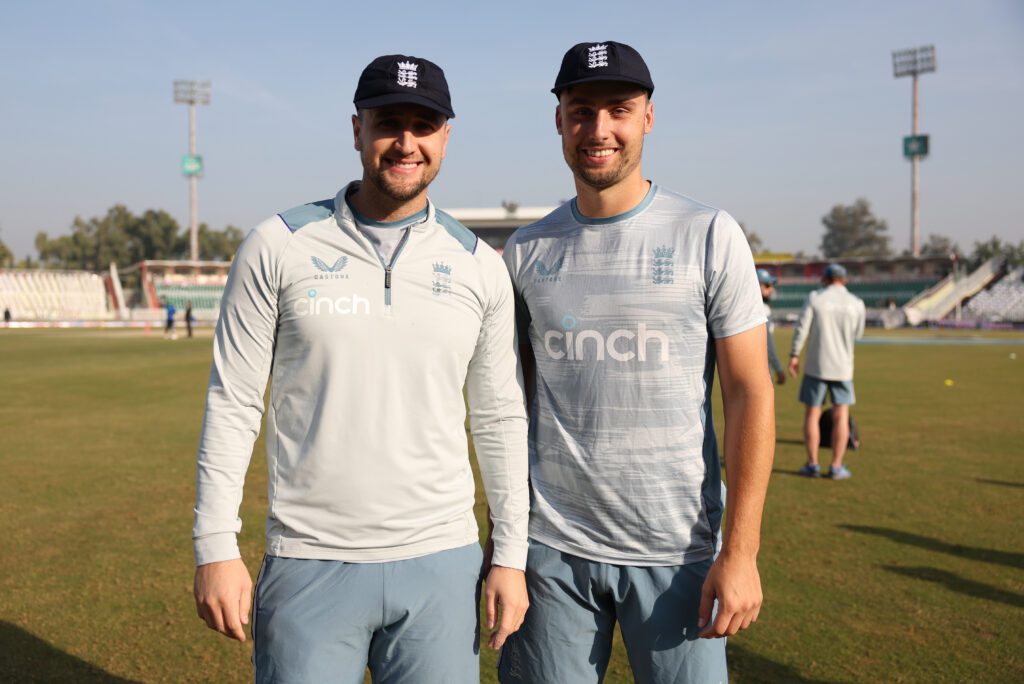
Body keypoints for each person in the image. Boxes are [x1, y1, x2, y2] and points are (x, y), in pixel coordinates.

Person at [192, 54, 530, 683]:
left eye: (424, 124)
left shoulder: (480, 264)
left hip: (441, 563)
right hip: (310, 561)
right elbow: (234, 399)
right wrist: (215, 545)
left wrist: (509, 553)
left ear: (446, 136)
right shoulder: (279, 244)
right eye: (387, 123)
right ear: (357, 130)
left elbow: (499, 415)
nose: (406, 143)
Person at [498, 41, 775, 683]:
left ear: (648, 116)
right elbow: (511, 406)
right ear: (559, 119)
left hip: (680, 554)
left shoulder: (708, 234)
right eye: (581, 110)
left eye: (618, 109)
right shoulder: (526, 251)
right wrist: (505, 543)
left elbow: (750, 393)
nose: (599, 130)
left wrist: (742, 551)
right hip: (552, 552)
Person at [788, 263, 865, 480]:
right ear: (845, 280)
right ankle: (836, 465)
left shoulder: (815, 298)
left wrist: (794, 354)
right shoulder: (856, 303)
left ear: (825, 279)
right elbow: (858, 334)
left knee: (812, 414)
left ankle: (812, 464)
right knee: (842, 416)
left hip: (817, 365)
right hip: (843, 368)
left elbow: (802, 328)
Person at [758, 268, 786, 385]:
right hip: (759, 369)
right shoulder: (761, 309)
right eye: (767, 285)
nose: (772, 289)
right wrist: (778, 369)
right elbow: (767, 343)